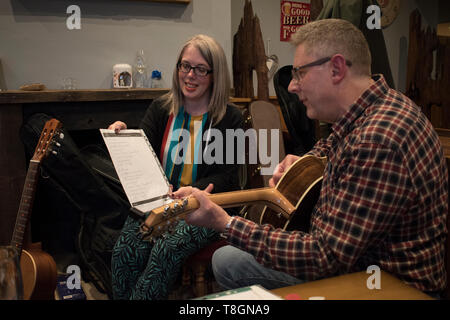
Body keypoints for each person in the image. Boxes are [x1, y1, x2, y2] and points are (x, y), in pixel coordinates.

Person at [171, 19, 449, 296]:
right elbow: (330, 145)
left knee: (228, 261)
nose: (291, 86)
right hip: (359, 264)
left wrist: (226, 223)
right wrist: (302, 163)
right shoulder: (378, 107)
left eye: (299, 73)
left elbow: (324, 257)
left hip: (384, 287)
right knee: (230, 258)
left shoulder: (378, 140)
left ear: (336, 69)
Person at [109, 34, 243, 300]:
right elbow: (142, 154)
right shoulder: (161, 108)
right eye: (185, 66)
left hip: (203, 207)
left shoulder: (230, 118)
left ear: (215, 75)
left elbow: (228, 177)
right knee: (123, 250)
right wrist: (124, 136)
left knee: (166, 249)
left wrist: (196, 190)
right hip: (160, 203)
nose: (190, 75)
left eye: (200, 69)